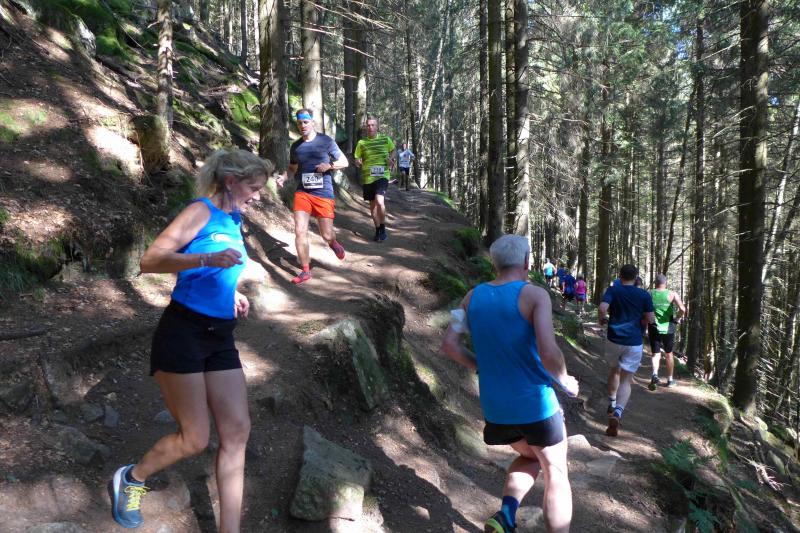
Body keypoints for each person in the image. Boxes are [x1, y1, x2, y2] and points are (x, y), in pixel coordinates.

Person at [108, 149, 274, 531]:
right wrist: (206, 261)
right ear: (230, 181)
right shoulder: (200, 211)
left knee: (237, 431)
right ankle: (132, 477)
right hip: (183, 333)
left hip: (220, 335)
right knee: (195, 439)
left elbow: (216, 268)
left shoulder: (233, 218)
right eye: (253, 188)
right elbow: (150, 260)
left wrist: (229, 292)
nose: (258, 196)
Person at [441, 235, 578, 533]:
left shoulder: (471, 297)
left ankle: (505, 515)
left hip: (496, 408)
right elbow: (548, 352)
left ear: (495, 263)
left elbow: (449, 345)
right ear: (527, 261)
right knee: (556, 472)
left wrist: (481, 365)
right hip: (535, 404)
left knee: (530, 455)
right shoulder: (535, 295)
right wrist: (565, 380)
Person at [277, 108, 349, 285]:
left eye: (305, 122)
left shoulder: (326, 141)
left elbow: (344, 162)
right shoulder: (296, 146)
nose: (302, 126)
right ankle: (305, 270)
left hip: (323, 193)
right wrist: (284, 177)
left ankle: (333, 243)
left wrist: (329, 166)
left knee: (326, 234)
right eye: (299, 123)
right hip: (303, 192)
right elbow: (292, 168)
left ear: (312, 122)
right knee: (300, 230)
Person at [598, 264, 655, 437]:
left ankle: (612, 402)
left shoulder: (613, 290)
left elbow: (602, 308)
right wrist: (643, 320)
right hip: (634, 341)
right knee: (626, 379)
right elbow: (651, 318)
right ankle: (618, 412)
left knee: (614, 370)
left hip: (614, 338)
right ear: (636, 277)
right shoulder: (644, 295)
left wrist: (602, 320)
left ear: (620, 275)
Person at [354, 116, 396, 242]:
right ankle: (377, 229)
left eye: (373, 125)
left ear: (377, 127)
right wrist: (358, 162)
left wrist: (391, 159)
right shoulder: (361, 143)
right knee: (372, 207)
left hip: (382, 175)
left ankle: (382, 228)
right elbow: (356, 158)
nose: (370, 127)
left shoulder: (385, 139)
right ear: (366, 127)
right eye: (368, 125)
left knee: (379, 200)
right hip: (368, 177)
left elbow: (393, 150)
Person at [647, 274, 687, 390]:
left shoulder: (650, 294)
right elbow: (683, 309)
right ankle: (670, 380)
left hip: (654, 326)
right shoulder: (672, 294)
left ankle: (655, 374)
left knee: (655, 353)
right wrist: (677, 319)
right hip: (669, 328)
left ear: (655, 283)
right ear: (665, 283)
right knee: (669, 354)